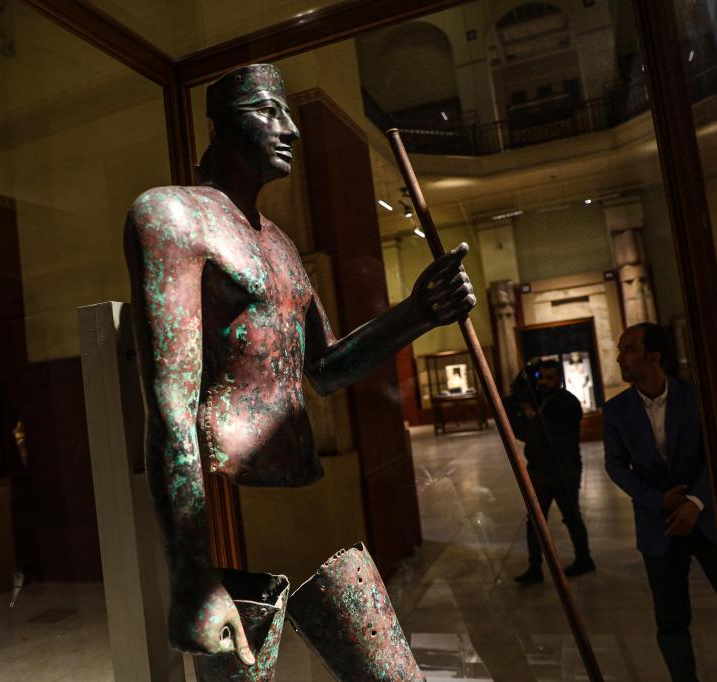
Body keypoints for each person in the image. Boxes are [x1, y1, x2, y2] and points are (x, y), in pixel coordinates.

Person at [124, 63, 476, 669]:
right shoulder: (173, 216)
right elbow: (171, 404)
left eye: (286, 111)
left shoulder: (279, 243)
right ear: (218, 126)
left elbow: (326, 367)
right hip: (225, 487)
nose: (289, 128)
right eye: (267, 111)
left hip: (294, 491)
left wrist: (419, 312)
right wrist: (191, 572)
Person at [604, 322, 717, 682]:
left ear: (654, 356)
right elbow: (615, 466)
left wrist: (696, 502)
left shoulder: (696, 396)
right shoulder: (616, 410)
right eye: (620, 350)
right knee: (671, 621)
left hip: (708, 518)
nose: (620, 358)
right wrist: (657, 500)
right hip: (658, 525)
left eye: (628, 350)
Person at [508, 359, 593, 585]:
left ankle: (584, 559)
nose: (544, 382)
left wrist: (530, 415)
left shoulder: (567, 402)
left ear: (559, 380)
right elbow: (515, 397)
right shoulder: (539, 399)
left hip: (564, 469)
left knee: (571, 516)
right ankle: (534, 568)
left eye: (550, 378)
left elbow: (546, 434)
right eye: (541, 378)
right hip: (539, 469)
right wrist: (527, 373)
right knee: (535, 520)